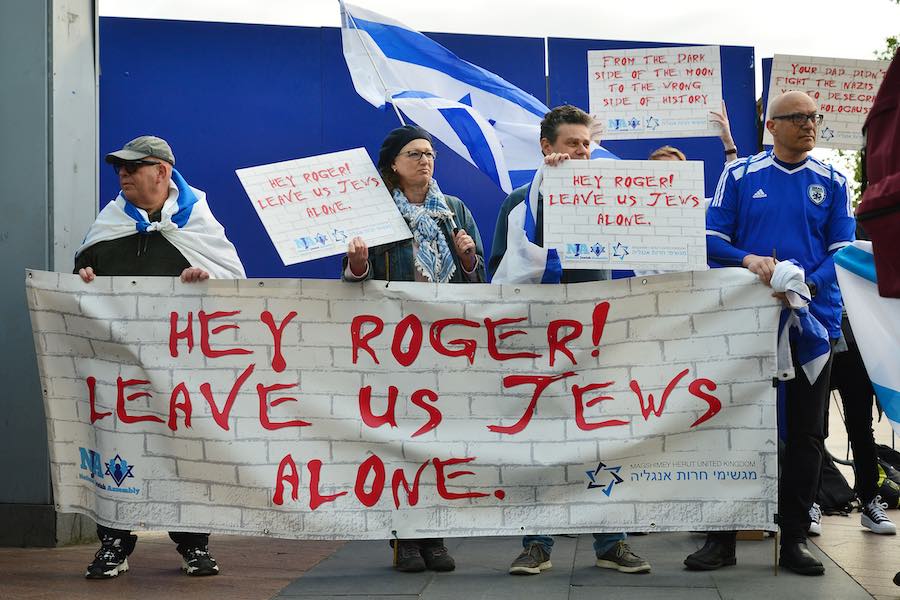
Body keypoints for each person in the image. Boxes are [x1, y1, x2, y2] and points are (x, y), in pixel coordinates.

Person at [690, 91, 856, 575]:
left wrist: (806, 284)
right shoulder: (739, 176)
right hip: (745, 325)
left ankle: (795, 540)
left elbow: (842, 250)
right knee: (734, 429)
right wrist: (747, 260)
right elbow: (710, 239)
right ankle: (721, 539)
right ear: (771, 125)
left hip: (811, 326)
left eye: (814, 116)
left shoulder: (834, 181)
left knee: (807, 435)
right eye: (798, 117)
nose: (809, 124)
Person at [488, 105, 650, 576]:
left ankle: (611, 542)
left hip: (593, 343)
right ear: (546, 148)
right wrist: (549, 199)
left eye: (586, 144)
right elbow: (503, 271)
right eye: (572, 144)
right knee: (539, 442)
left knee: (601, 440)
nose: (582, 152)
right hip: (537, 344)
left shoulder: (607, 197)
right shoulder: (520, 201)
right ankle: (537, 544)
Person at [76, 135, 245, 579]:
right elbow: (83, 284)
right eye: (120, 169)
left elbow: (234, 285)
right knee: (115, 445)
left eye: (134, 167)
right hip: (121, 367)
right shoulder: (109, 224)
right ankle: (114, 543)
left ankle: (193, 544)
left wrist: (205, 281)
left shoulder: (199, 226)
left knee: (182, 449)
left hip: (181, 369)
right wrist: (85, 279)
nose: (124, 175)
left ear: (163, 171)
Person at [343, 124, 485, 572]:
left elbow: (480, 282)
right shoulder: (375, 213)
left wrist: (466, 258)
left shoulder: (455, 211)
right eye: (413, 153)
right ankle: (406, 538)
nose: (424, 160)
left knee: (440, 443)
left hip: (445, 345)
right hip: (396, 347)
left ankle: (436, 537)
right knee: (402, 444)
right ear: (392, 164)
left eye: (429, 153)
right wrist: (358, 265)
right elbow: (351, 284)